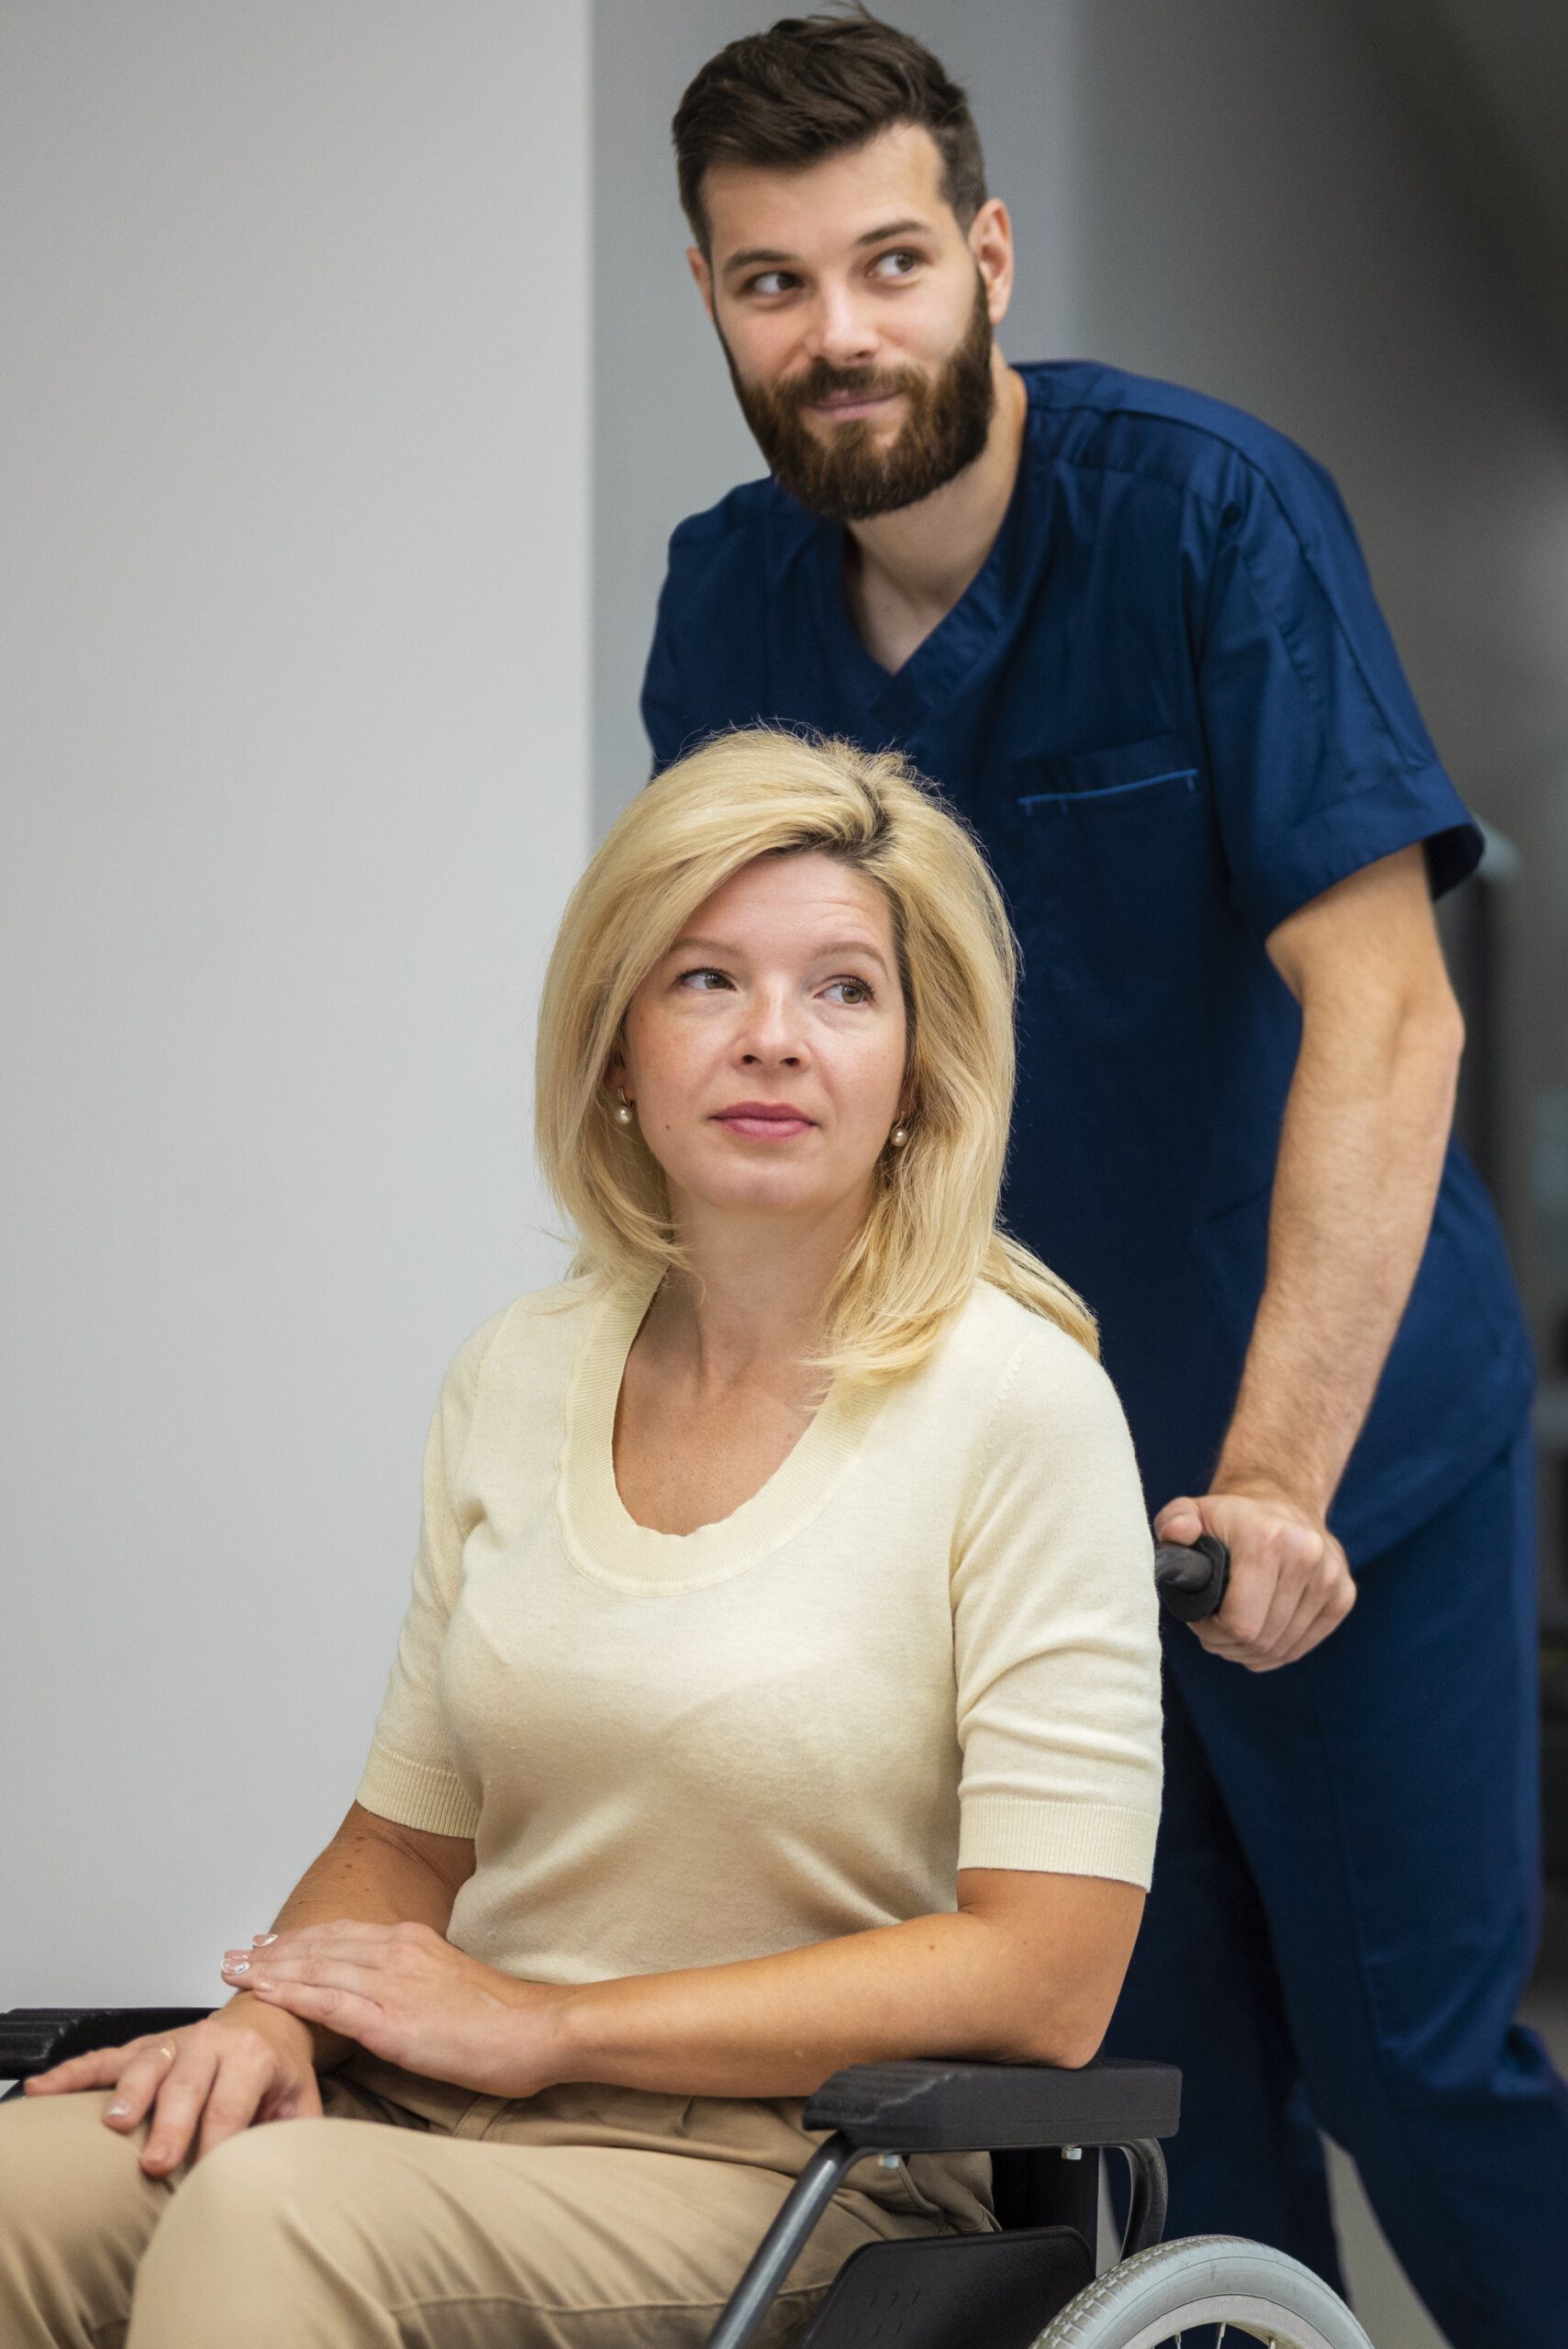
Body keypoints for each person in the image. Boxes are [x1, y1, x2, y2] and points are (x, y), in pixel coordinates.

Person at [640, 14, 1568, 2345]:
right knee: (1141, 2105)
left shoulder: (1200, 511)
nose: (838, 335)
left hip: (1340, 1458)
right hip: (1031, 1505)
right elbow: (755, 1073)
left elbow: (1393, 1008)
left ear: (986, 251)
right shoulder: (724, 603)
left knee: (1415, 2069)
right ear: (714, 302)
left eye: (885, 264)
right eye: (773, 285)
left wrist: (1271, 1475)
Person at [0, 729, 1162, 2348]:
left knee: (272, 2219)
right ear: (617, 1047)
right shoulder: (519, 1371)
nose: (772, 1041)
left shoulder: (1018, 1409)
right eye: (704, 981)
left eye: (841, 990)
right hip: (437, 2108)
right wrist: (272, 2017)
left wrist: (550, 2026)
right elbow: (410, 1846)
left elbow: (1046, 1973)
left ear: (920, 1071)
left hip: (803, 2173)